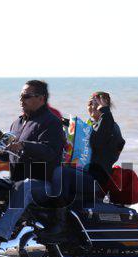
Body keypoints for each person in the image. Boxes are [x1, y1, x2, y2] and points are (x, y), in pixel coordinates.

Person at [0, 80, 65, 252]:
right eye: (21, 96)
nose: (21, 100)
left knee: (25, 187)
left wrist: (24, 145)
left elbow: (50, 152)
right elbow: (8, 154)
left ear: (41, 98)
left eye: (26, 96)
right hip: (17, 178)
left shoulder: (52, 122)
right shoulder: (17, 123)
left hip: (44, 183)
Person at [41, 91, 125, 241]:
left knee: (62, 173)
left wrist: (105, 111)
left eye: (97, 103)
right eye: (90, 103)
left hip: (96, 181)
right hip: (83, 174)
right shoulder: (89, 126)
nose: (92, 106)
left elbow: (98, 141)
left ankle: (59, 224)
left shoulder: (111, 127)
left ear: (106, 105)